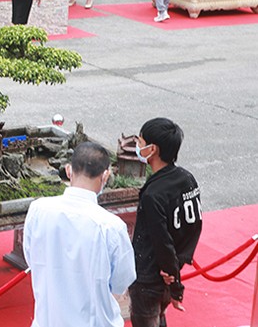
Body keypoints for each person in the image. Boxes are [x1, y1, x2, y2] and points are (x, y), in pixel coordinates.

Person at [23, 141, 136, 327]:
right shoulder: (110, 226)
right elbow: (121, 281)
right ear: (105, 176)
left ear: (68, 171)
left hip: (48, 320)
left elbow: (31, 257)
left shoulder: (38, 210)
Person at [130, 118, 202, 327]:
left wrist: (172, 275)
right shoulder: (187, 179)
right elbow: (194, 228)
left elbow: (162, 240)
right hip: (169, 273)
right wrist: (175, 272)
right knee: (159, 317)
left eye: (141, 142)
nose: (138, 146)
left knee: (148, 319)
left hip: (150, 276)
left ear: (153, 149)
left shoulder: (153, 195)